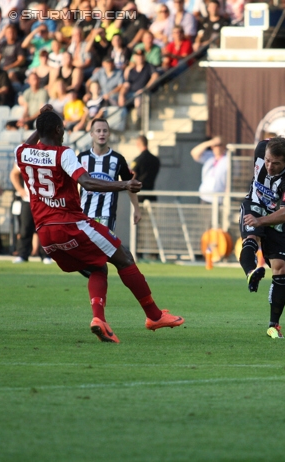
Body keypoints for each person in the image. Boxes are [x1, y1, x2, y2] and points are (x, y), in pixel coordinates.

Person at [14, 105, 184, 343]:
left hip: (45, 234)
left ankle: (99, 320)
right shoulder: (64, 153)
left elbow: (32, 141)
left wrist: (42, 119)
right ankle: (154, 316)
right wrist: (124, 185)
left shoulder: (21, 152)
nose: (64, 131)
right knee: (124, 256)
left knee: (98, 267)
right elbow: (87, 182)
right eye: (61, 127)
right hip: (71, 224)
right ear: (57, 129)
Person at [238, 136, 285, 339]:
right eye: (267, 160)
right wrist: (256, 221)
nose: (269, 166)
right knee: (252, 238)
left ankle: (273, 326)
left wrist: (262, 221)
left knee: (280, 267)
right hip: (254, 204)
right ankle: (251, 272)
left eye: (275, 163)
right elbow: (267, 140)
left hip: (276, 215)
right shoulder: (261, 147)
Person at [78, 118, 141, 232]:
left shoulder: (118, 159)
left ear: (109, 134)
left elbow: (129, 185)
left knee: (103, 249)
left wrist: (136, 208)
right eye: (98, 131)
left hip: (106, 216)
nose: (102, 133)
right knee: (85, 249)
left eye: (105, 131)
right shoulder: (81, 158)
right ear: (91, 134)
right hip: (84, 215)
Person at [9, 164, 53, 264]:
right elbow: (14, 174)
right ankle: (23, 255)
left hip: (45, 200)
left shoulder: (48, 155)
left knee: (45, 229)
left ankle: (46, 255)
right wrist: (20, 190)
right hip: (28, 199)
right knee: (25, 228)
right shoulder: (26, 155)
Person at [190, 135, 228, 205]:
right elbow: (194, 153)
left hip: (219, 199)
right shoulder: (209, 156)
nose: (217, 148)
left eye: (220, 145)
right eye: (215, 145)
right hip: (205, 196)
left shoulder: (228, 159)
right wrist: (210, 143)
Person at [130, 135, 160, 202]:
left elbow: (132, 176)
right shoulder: (156, 160)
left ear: (138, 144)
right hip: (151, 195)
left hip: (140, 196)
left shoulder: (137, 160)